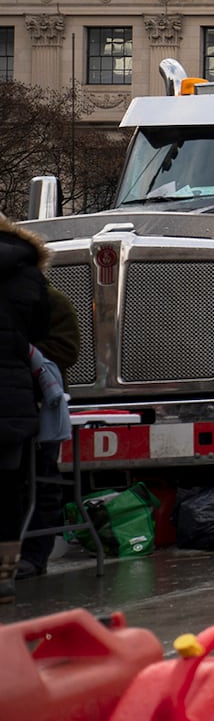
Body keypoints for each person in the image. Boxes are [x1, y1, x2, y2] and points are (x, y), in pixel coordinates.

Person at [0, 215, 55, 603]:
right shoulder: (28, 273)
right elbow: (39, 331)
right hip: (12, 398)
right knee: (7, 490)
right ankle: (3, 576)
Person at [17, 288, 80, 581]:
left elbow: (67, 350)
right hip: (20, 402)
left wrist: (23, 353)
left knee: (40, 480)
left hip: (40, 406)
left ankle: (33, 556)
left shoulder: (50, 300)